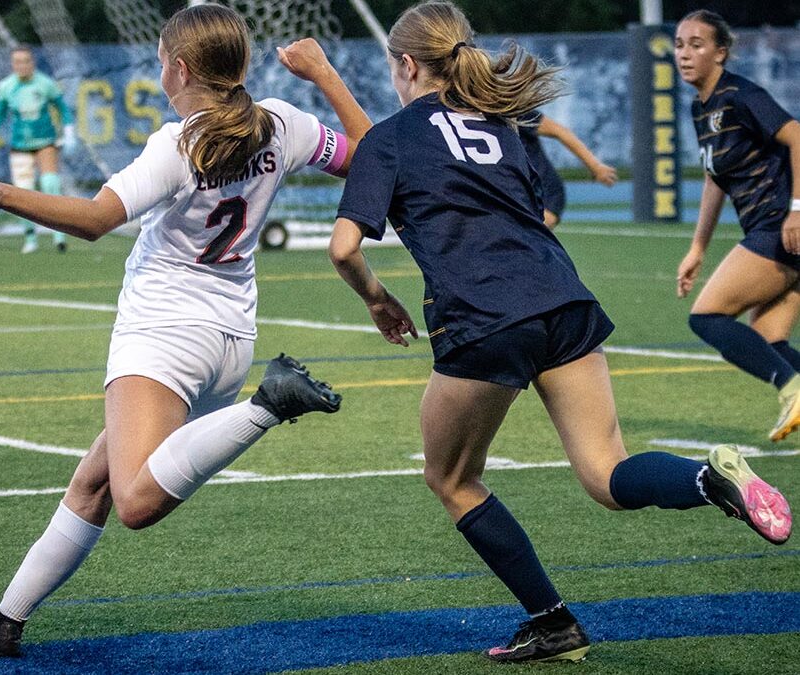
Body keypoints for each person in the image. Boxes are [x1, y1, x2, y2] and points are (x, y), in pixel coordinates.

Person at [328, 1, 792, 664]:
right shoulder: (502, 124)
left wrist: (378, 299)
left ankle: (552, 620)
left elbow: (344, 248)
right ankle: (707, 480)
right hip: (563, 298)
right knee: (607, 472)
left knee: (451, 476)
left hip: (485, 317)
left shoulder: (393, 136)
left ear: (405, 64)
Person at [0, 3, 372, 657]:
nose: (158, 71)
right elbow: (371, 157)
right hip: (229, 339)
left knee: (135, 501)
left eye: (159, 61)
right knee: (93, 480)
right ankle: (5, 619)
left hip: (163, 336)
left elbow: (96, 219)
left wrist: (7, 194)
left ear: (178, 68)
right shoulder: (283, 123)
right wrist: (322, 73)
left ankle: (271, 403)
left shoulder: (179, 144)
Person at [674, 10, 800, 442]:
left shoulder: (740, 96)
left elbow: (798, 135)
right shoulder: (701, 107)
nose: (685, 54)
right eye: (679, 44)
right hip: (771, 229)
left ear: (721, 52)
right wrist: (697, 248)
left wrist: (797, 209)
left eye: (697, 44)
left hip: (780, 226)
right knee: (767, 339)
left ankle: (792, 389)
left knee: (707, 317)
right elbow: (715, 178)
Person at [0, 46, 76, 254]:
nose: (22, 66)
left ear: (32, 63)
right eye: (17, 62)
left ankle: (59, 235)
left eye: (26, 61)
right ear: (12, 65)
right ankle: (30, 237)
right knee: (24, 189)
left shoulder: (45, 84)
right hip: (19, 144)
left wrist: (69, 134)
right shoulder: (7, 87)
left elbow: (63, 109)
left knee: (50, 183)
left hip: (45, 141)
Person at [519, 110, 617, 228]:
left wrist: (595, 166)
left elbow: (560, 131)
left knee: (527, 235)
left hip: (543, 192)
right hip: (517, 191)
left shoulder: (514, 111)